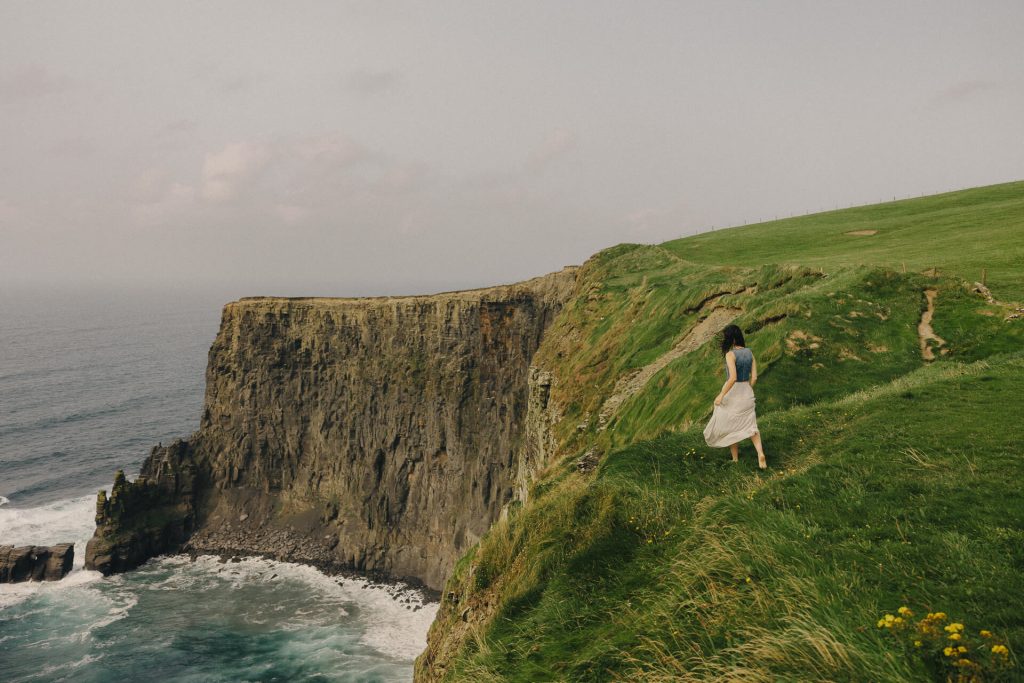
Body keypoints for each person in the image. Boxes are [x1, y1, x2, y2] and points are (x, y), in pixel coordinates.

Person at [702, 324, 767, 469]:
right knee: (751, 425)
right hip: (747, 391)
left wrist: (721, 395)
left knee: (730, 425)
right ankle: (760, 453)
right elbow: (755, 377)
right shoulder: (750, 353)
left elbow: (732, 378)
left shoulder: (730, 354)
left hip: (733, 393)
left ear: (730, 339)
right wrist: (748, 389)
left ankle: (735, 459)